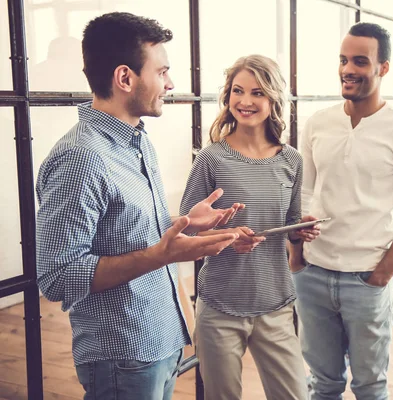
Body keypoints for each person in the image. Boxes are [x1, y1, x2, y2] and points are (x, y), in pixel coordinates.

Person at [35, 12, 241, 400]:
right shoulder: (80, 158)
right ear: (125, 78)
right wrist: (163, 254)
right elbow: (58, 276)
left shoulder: (137, 140)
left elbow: (130, 234)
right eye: (162, 71)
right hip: (121, 355)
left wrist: (184, 223)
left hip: (158, 340)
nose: (170, 83)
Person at [289, 22, 393, 399]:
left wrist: (381, 275)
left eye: (359, 61)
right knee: (323, 384)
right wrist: (296, 259)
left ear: (383, 67)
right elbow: (303, 194)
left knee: (370, 387)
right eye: (342, 60)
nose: (347, 69)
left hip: (367, 280)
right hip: (313, 276)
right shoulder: (319, 123)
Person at [179, 55, 312, 400]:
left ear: (273, 99)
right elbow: (186, 232)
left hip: (276, 305)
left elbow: (289, 227)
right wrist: (226, 238)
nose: (246, 101)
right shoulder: (210, 158)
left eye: (257, 92)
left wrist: (302, 230)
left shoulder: (291, 160)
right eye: (238, 91)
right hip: (220, 306)